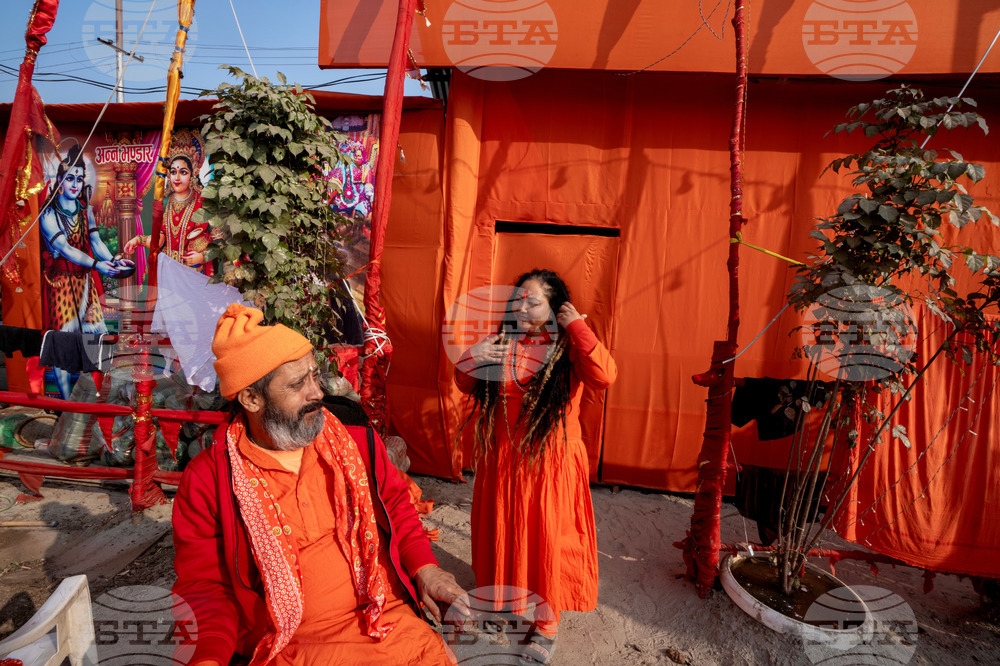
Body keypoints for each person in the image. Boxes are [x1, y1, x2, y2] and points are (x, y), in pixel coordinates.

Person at [172, 303, 470, 665]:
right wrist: (207, 657)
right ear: (251, 398)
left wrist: (427, 569)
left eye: (315, 376)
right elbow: (206, 587)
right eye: (298, 384)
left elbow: (397, 509)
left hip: (385, 618)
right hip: (292, 644)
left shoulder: (356, 443)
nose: (316, 393)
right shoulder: (210, 479)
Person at [455, 269, 617, 666]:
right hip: (502, 459)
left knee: (546, 539)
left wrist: (576, 325)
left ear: (554, 308)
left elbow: (605, 376)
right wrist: (472, 358)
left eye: (533, 301)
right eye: (517, 300)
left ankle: (546, 624)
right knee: (499, 529)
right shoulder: (501, 342)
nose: (521, 307)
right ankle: (497, 601)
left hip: (551, 464)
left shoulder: (570, 346)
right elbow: (464, 383)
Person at [39, 144, 121, 398]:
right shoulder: (48, 214)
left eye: (79, 178)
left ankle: (98, 398)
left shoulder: (86, 211)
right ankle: (66, 404)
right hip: (60, 285)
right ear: (60, 180)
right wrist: (99, 265)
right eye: (70, 178)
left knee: (98, 339)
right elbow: (65, 248)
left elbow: (96, 243)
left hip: (86, 284)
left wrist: (115, 262)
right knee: (63, 345)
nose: (75, 184)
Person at [123, 153, 214, 275]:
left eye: (183, 172)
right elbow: (160, 239)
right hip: (170, 274)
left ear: (193, 174)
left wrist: (203, 257)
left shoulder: (203, 204)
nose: (177, 178)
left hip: (195, 274)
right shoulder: (164, 203)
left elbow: (219, 240)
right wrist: (138, 240)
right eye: (173, 172)